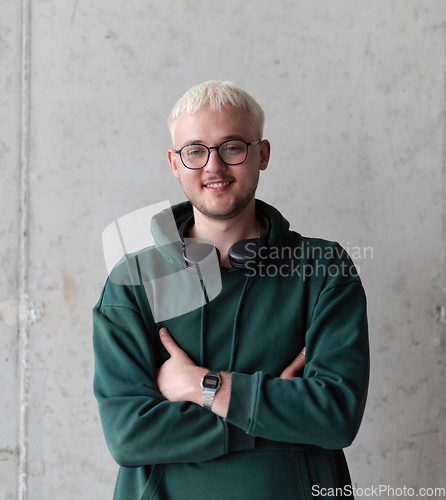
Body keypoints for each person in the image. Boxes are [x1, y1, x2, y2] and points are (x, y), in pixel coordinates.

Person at [93, 81, 369, 499]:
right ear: (174, 162)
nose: (214, 166)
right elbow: (129, 436)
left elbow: (335, 417)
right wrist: (270, 411)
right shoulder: (131, 282)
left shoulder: (324, 268)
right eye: (195, 150)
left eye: (232, 147)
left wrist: (199, 386)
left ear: (262, 154)